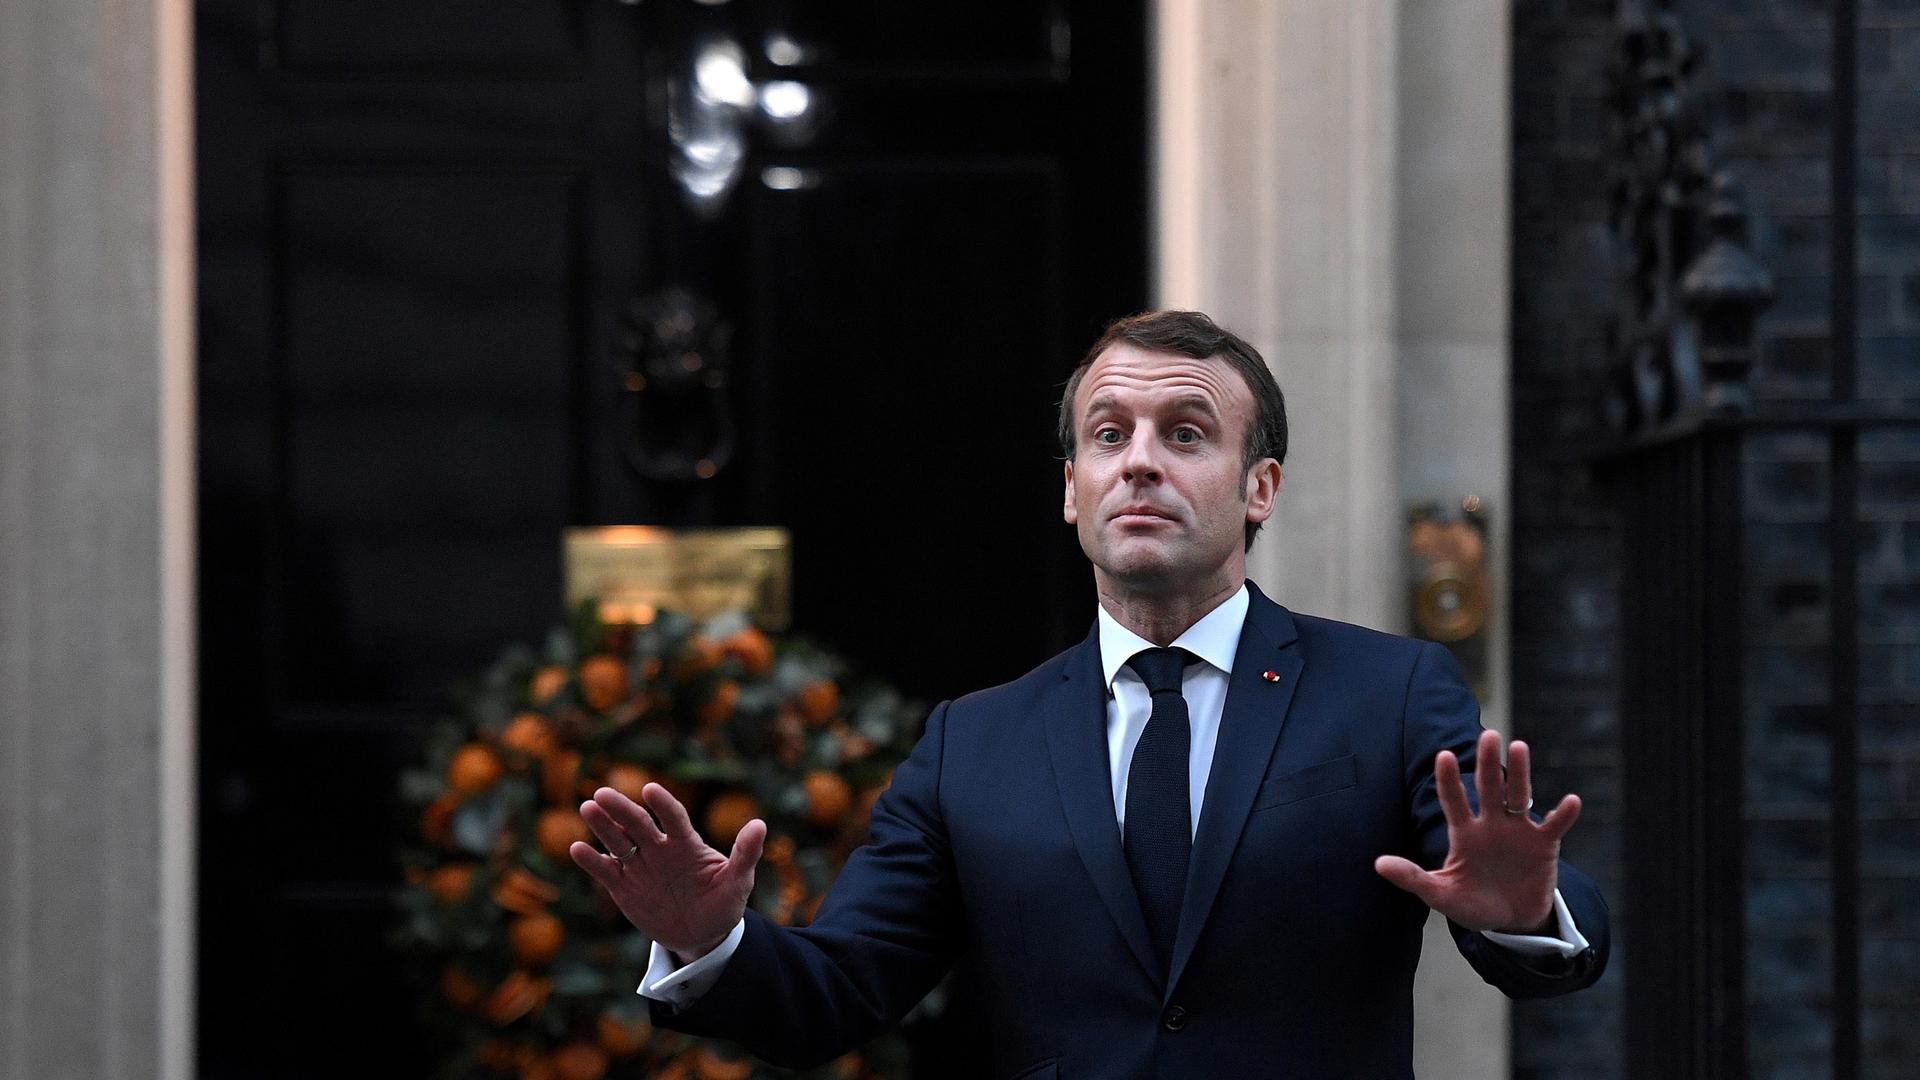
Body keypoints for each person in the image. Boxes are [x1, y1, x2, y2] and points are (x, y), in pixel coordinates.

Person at [570, 310, 1609, 1079]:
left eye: (1186, 434)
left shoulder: (1388, 693)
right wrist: (713, 945)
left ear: (1262, 489)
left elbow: (1532, 938)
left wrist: (1526, 913)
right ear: (1072, 490)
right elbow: (836, 996)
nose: (1140, 464)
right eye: (1109, 436)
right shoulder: (972, 746)